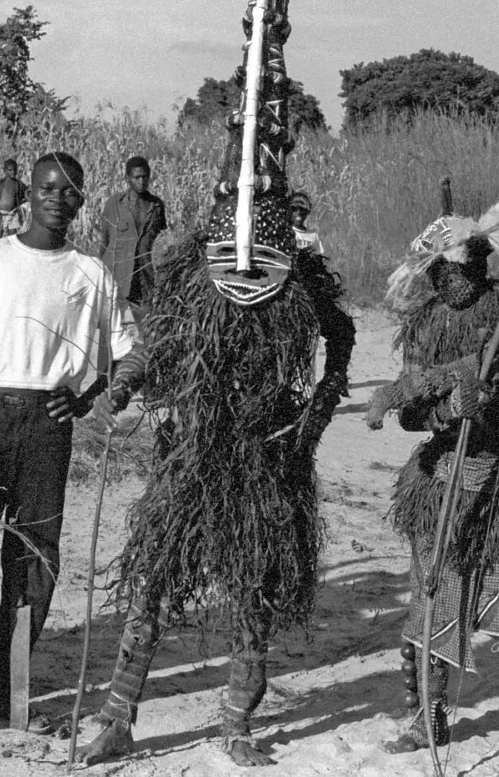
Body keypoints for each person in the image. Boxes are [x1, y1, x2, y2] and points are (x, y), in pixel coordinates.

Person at [74, 193, 355, 768]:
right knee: (152, 586)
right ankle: (118, 717)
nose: (246, 265)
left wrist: (314, 420)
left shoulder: (298, 287)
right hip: (192, 458)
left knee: (254, 593)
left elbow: (342, 340)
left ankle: (238, 722)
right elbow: (151, 349)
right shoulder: (193, 281)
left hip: (266, 466)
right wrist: (122, 387)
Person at [0, 152, 139, 746]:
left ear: (83, 200)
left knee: (34, 566)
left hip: (46, 429)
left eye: (70, 191)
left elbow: (126, 351)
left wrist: (87, 396)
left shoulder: (92, 275)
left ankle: (12, 700)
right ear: (27, 194)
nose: (58, 198)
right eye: (47, 188)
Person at [367, 203, 499, 777]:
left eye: (454, 270)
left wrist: (475, 389)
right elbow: (410, 414)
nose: (445, 282)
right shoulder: (424, 323)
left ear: (477, 263)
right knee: (433, 603)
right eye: (436, 273)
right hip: (440, 479)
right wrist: (440, 406)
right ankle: (428, 719)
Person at [96, 156, 167, 313]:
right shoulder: (113, 204)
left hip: (143, 281)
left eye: (145, 177)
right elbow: (105, 242)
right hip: (117, 278)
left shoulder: (156, 206)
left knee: (143, 330)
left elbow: (160, 243)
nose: (142, 181)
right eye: (137, 177)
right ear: (127, 178)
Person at [0, 158, 25, 238]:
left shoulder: (19, 184)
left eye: (15, 170)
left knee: (13, 239)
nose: (13, 172)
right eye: (10, 170)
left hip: (13, 215)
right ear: (4, 171)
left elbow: (26, 194)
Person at [288, 191, 325, 257]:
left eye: (302, 209)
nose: (298, 212)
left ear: (308, 212)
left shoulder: (314, 236)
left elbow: (320, 258)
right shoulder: (285, 232)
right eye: (295, 209)